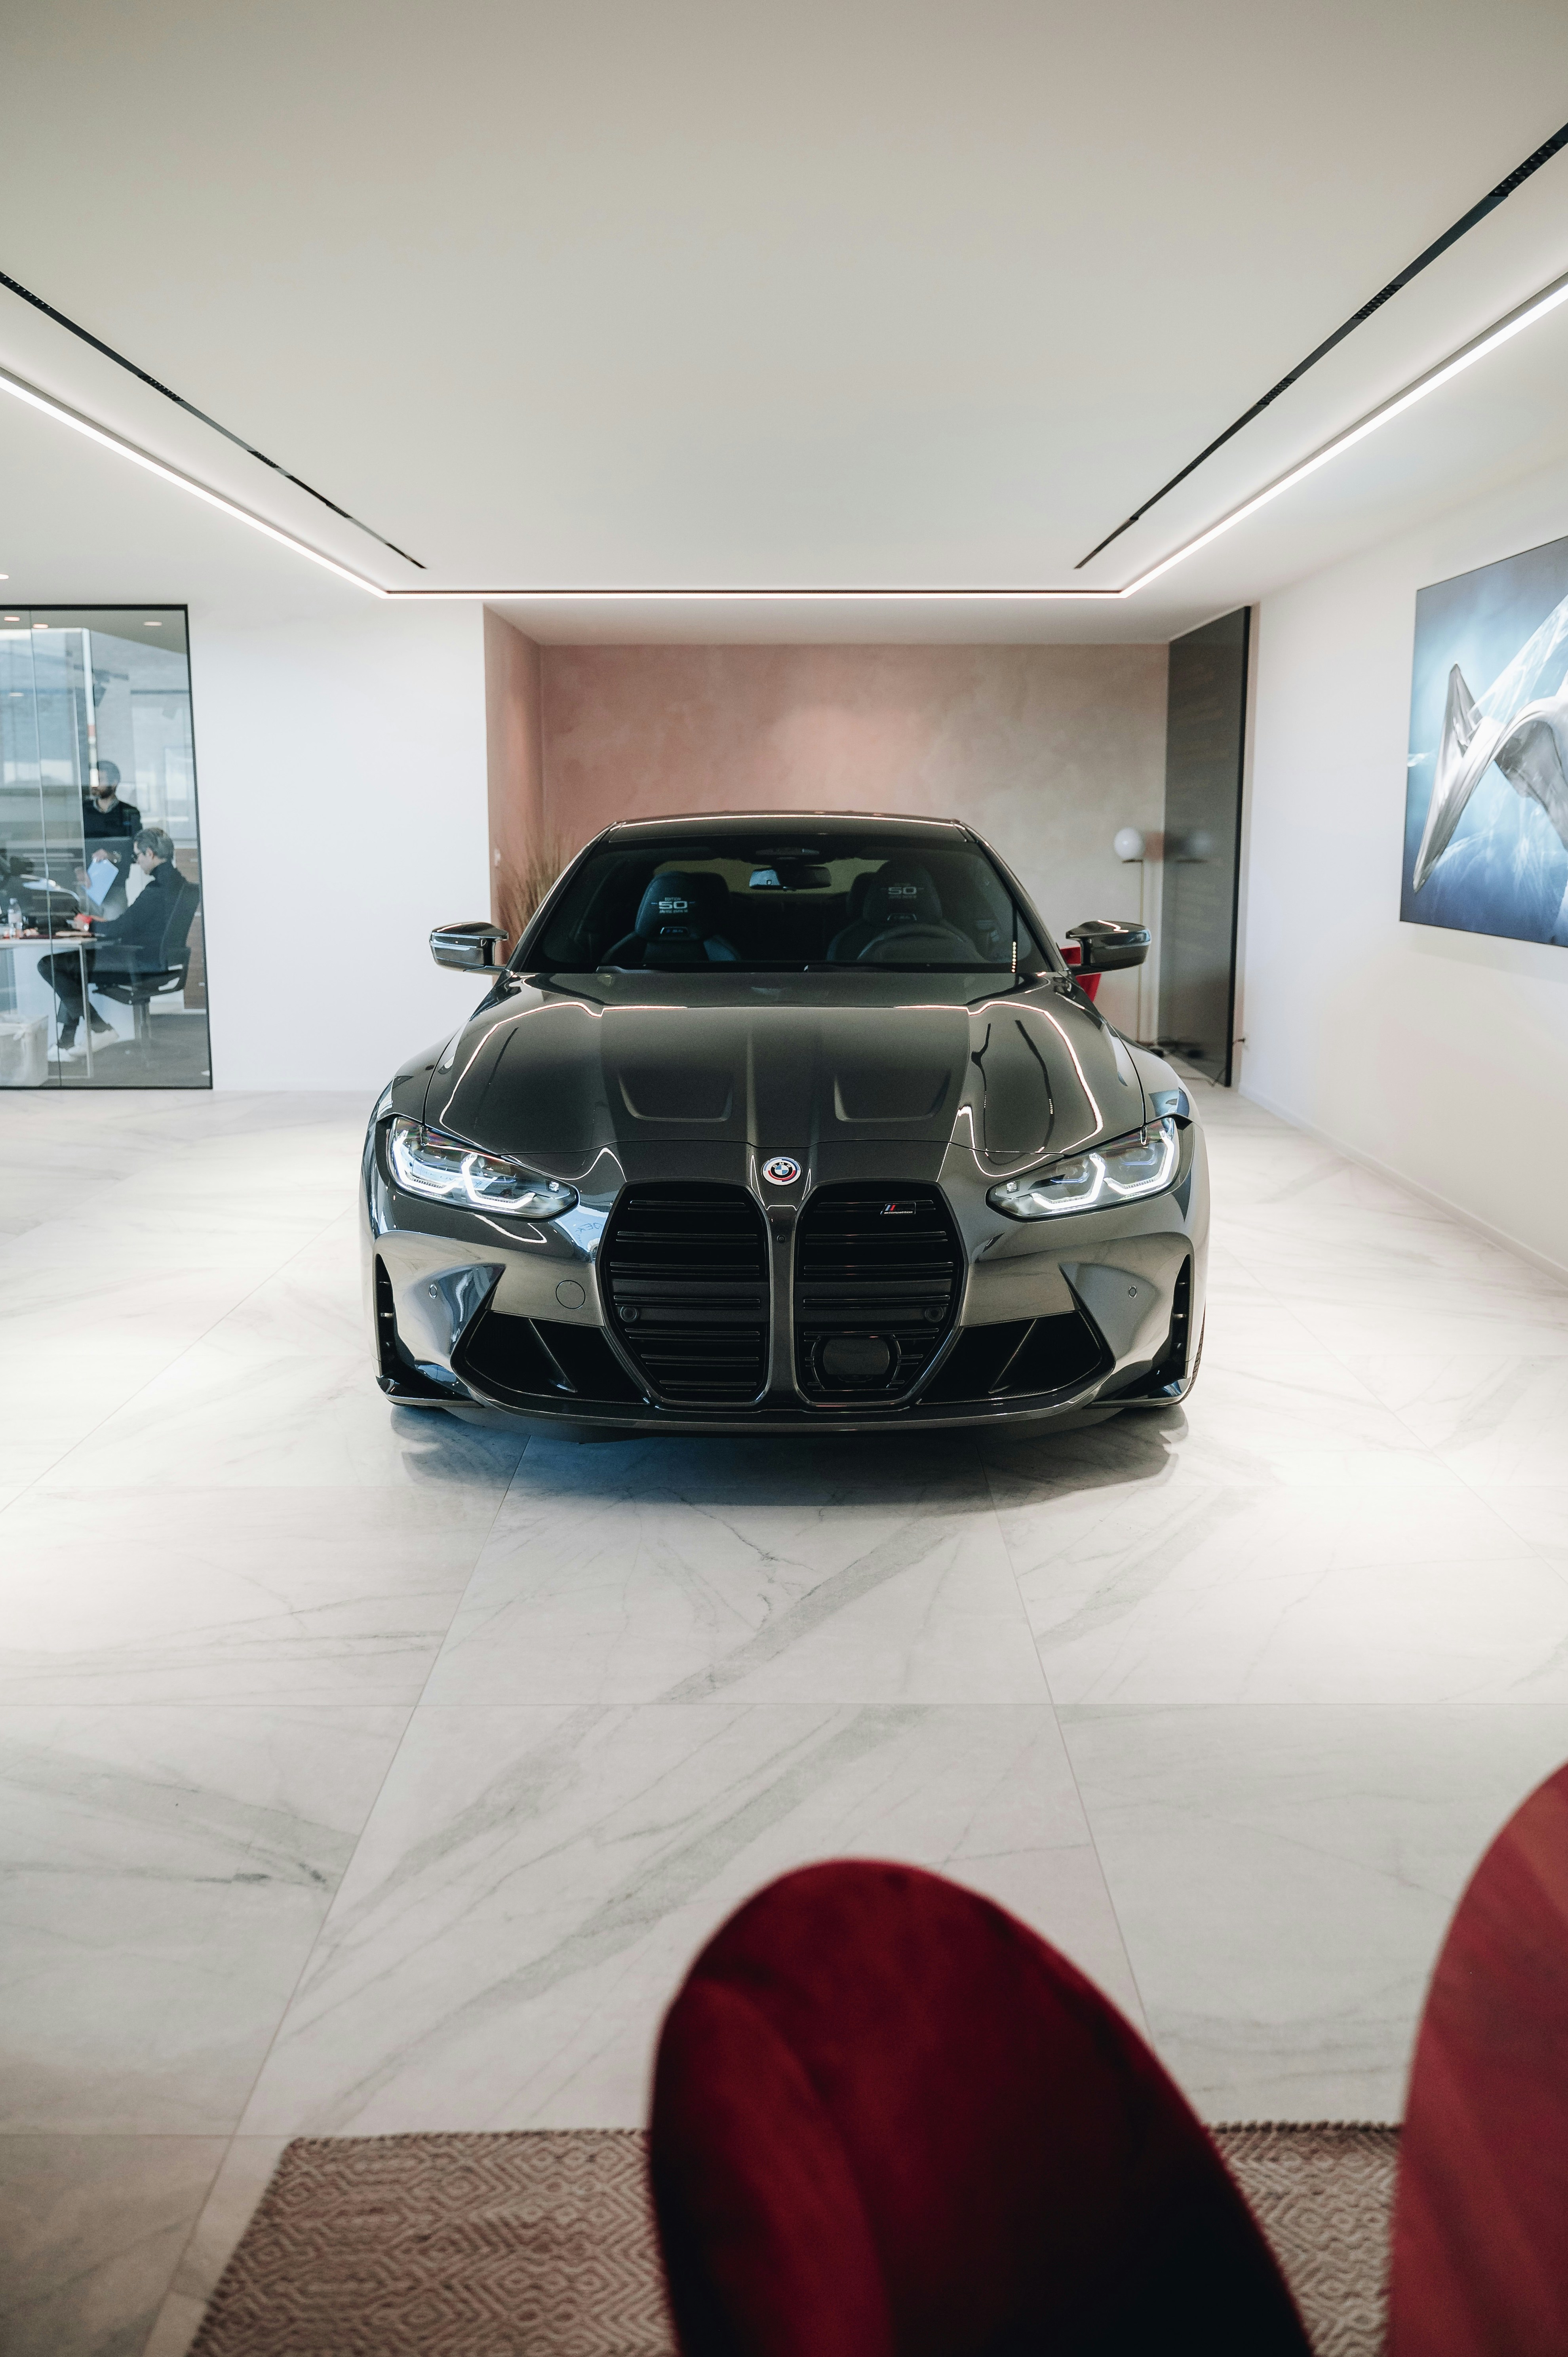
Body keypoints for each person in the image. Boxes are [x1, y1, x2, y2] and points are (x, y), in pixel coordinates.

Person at [42, 827, 190, 1055]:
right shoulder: (179, 885)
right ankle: (67, 1042)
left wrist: (88, 924)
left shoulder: (157, 889)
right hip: (155, 959)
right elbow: (133, 923)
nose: (138, 862)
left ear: (149, 853)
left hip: (137, 962)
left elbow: (121, 928)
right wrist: (100, 922)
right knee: (73, 968)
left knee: (50, 965)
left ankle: (98, 1029)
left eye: (137, 856)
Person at [80, 761, 142, 918]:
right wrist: (78, 871)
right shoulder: (82, 811)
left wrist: (112, 855)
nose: (94, 785)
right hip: (86, 887)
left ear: (114, 783)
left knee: (116, 931)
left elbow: (135, 852)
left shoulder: (129, 813)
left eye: (100, 780)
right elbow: (72, 847)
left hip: (116, 888)